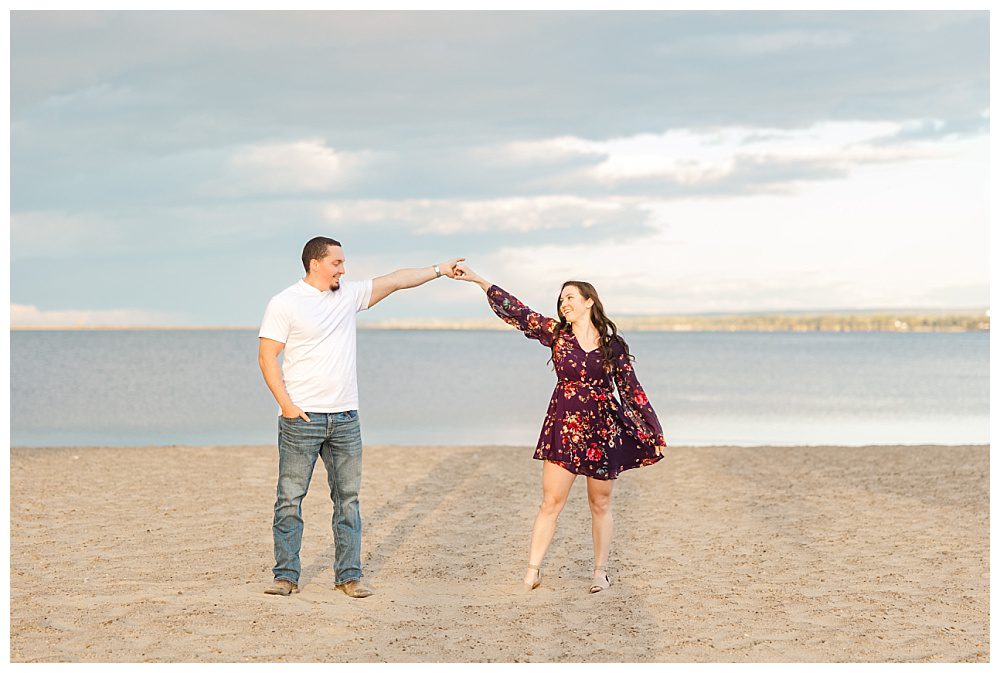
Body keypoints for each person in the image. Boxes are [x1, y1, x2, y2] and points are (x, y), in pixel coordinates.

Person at [258, 236, 463, 598]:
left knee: (348, 501)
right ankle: (286, 575)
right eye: (337, 262)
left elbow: (396, 280)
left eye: (343, 262)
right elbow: (266, 357)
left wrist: (438, 271)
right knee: (290, 499)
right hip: (301, 420)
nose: (343, 269)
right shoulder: (285, 302)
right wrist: (287, 405)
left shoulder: (348, 296)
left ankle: (349, 576)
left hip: (346, 418)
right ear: (315, 263)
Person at [453, 264, 666, 593]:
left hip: (603, 430)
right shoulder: (556, 334)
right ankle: (532, 571)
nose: (563, 303)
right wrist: (481, 282)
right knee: (551, 502)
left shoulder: (613, 345)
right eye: (561, 298)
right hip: (564, 427)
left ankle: (599, 572)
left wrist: (652, 431)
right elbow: (519, 312)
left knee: (601, 504)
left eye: (570, 297)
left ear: (588, 302)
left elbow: (631, 389)